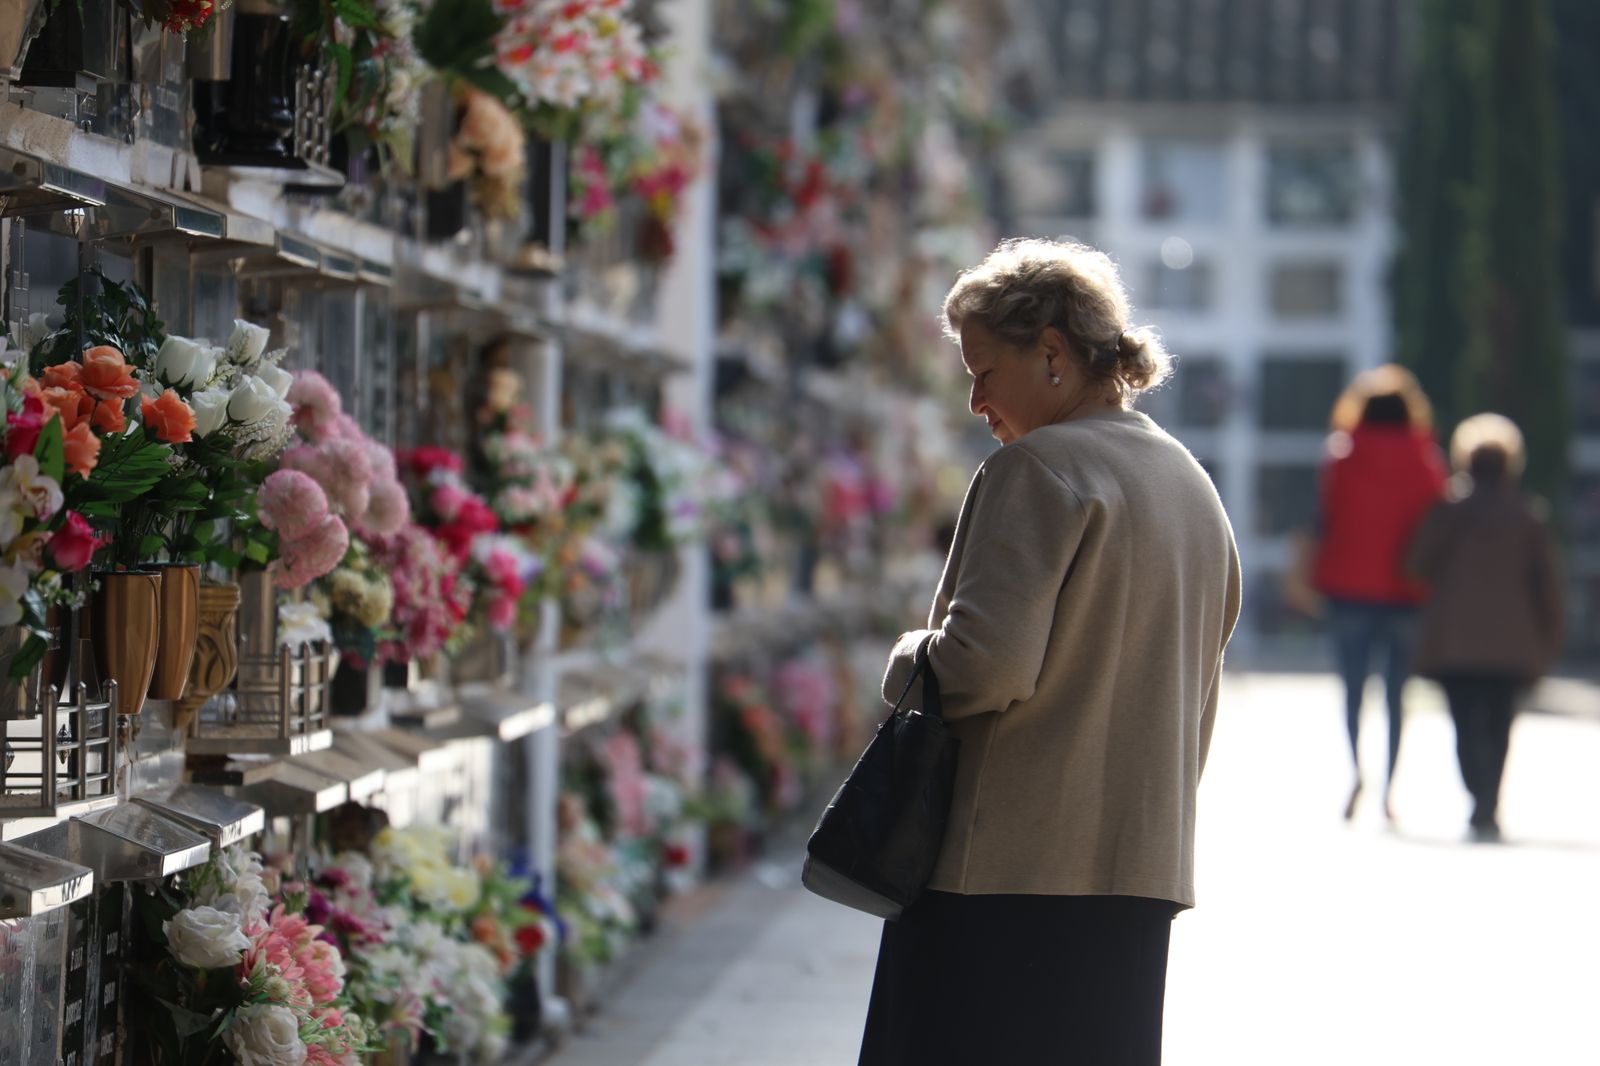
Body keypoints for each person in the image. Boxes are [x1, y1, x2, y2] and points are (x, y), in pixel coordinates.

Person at [859, 239, 1241, 1066]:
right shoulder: (1189, 485)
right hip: (1137, 867)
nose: (975, 401)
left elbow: (983, 665)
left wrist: (907, 656)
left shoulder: (1039, 470)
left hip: (1000, 872)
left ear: (1053, 353)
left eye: (984, 371)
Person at [1406, 414, 1564, 842]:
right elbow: (1547, 587)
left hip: (1456, 644)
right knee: (1499, 726)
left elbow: (1417, 564)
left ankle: (1479, 797)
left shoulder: (1448, 511)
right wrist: (1549, 639)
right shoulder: (1529, 517)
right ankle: (1488, 802)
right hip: (1512, 646)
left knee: (1465, 725)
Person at [1310, 365, 1447, 821]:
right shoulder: (1426, 460)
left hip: (1348, 588)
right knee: (1395, 694)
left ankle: (1357, 774)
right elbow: (1435, 524)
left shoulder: (1341, 456)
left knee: (1352, 689)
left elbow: (1326, 517)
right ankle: (1389, 789)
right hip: (1406, 591)